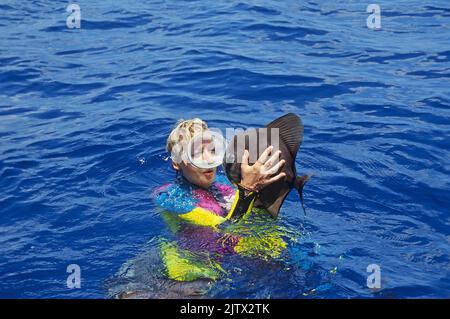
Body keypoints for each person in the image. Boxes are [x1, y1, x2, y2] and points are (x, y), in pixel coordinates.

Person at [151, 118, 290, 287]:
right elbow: (223, 229)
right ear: (177, 162)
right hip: (195, 265)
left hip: (238, 255)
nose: (208, 160)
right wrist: (248, 188)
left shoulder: (224, 184)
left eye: (212, 150)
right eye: (196, 154)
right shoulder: (170, 197)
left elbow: (255, 214)